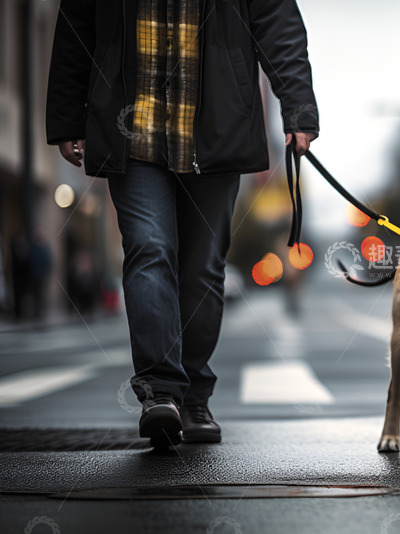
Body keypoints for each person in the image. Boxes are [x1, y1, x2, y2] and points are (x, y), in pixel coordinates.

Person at [46, 0, 319, 449]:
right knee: (149, 250)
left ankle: (193, 396)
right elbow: (75, 23)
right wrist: (67, 116)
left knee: (202, 268)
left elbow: (279, 25)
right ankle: (161, 393)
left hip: (216, 130)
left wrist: (299, 109)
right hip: (131, 132)